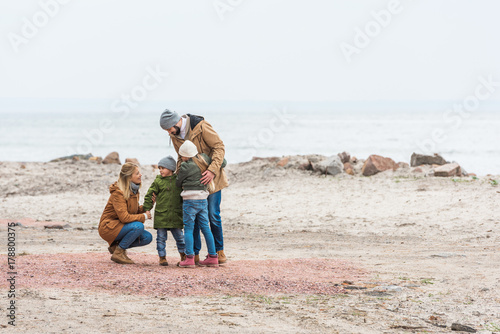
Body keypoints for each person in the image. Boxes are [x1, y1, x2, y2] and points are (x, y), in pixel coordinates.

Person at [159, 109, 228, 265]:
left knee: (213, 215)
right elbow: (180, 158)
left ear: (175, 122)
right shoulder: (174, 135)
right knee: (194, 219)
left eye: (168, 129)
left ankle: (219, 252)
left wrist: (211, 171)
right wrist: (179, 180)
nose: (168, 133)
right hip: (192, 185)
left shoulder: (201, 126)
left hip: (211, 180)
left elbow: (219, 147)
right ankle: (195, 255)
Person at [176, 140, 226, 268]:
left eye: (182, 155)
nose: (181, 157)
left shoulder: (185, 166)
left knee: (188, 228)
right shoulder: (204, 158)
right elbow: (223, 163)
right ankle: (213, 257)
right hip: (203, 200)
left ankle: (190, 258)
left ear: (185, 155)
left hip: (189, 201)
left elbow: (178, 182)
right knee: (205, 228)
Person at [98, 162, 153, 264]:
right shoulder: (118, 193)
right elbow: (124, 217)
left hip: (120, 226)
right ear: (129, 177)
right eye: (137, 173)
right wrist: (144, 216)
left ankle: (116, 247)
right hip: (108, 227)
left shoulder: (134, 190)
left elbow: (134, 211)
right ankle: (119, 252)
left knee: (147, 237)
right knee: (138, 226)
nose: (140, 175)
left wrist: (150, 204)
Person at [143, 156, 186, 266]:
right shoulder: (158, 181)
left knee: (180, 238)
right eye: (159, 168)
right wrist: (147, 209)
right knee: (161, 238)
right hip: (161, 215)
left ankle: (183, 255)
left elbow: (184, 195)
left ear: (171, 169)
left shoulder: (178, 181)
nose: (161, 170)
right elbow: (149, 195)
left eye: (163, 168)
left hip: (176, 215)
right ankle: (162, 257)